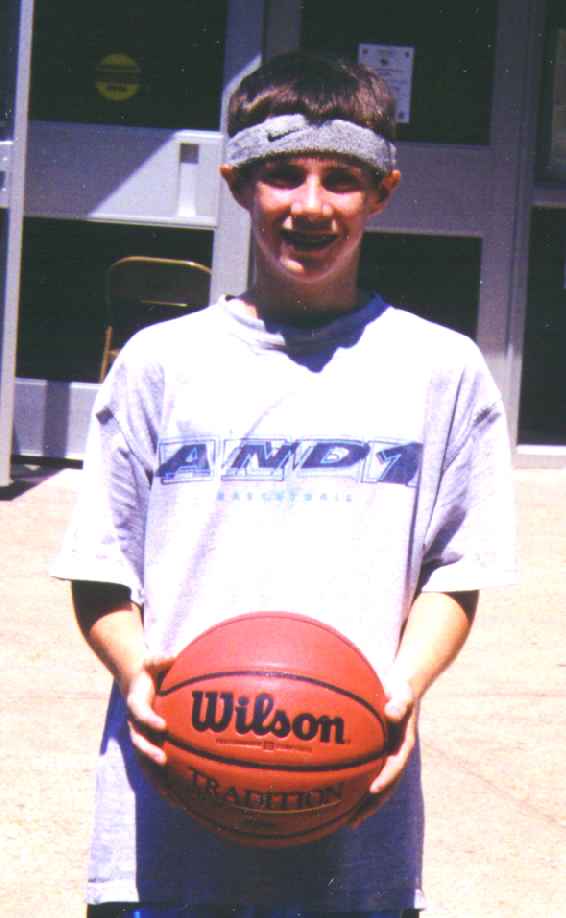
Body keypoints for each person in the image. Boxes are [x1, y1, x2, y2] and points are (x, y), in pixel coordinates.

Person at [52, 51, 516, 918]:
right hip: (168, 811)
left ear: (382, 192)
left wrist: (402, 692)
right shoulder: (162, 364)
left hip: (351, 802)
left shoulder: (440, 370)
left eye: (341, 179)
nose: (310, 205)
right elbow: (99, 566)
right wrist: (137, 672)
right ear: (236, 185)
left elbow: (457, 571)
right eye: (283, 177)